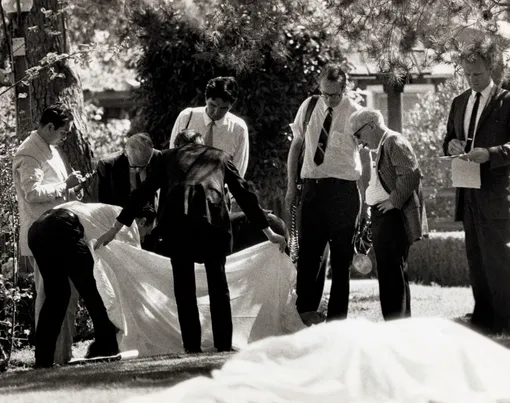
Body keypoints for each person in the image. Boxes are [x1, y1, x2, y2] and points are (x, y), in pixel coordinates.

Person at [95, 129, 286, 353]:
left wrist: (115, 228)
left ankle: (192, 347)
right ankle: (223, 345)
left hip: (179, 223)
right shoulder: (219, 156)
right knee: (219, 287)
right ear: (201, 143)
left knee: (184, 290)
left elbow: (142, 193)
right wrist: (269, 233)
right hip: (213, 221)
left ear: (176, 144)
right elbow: (244, 195)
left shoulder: (167, 157)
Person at [285, 63, 362, 325]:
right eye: (324, 93)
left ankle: (338, 321)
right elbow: (296, 147)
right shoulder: (308, 106)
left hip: (343, 191)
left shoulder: (356, 113)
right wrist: (291, 185)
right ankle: (306, 314)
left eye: (334, 94)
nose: (328, 100)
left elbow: (369, 157)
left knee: (341, 261)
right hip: (312, 189)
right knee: (309, 255)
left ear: (345, 88)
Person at [442, 40, 510, 334]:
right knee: (475, 257)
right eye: (468, 75)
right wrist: (451, 143)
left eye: (478, 75)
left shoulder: (507, 101)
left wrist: (491, 154)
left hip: (496, 192)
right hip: (467, 189)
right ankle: (482, 317)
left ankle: (505, 320)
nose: (472, 81)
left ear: (491, 70)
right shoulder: (459, 102)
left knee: (499, 259)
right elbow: (447, 140)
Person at [12, 104, 86, 365]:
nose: (65, 137)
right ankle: (49, 356)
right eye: (63, 132)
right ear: (49, 127)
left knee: (68, 294)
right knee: (49, 296)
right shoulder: (30, 153)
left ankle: (62, 355)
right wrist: (64, 186)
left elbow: (55, 188)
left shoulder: (50, 149)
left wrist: (71, 191)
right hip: (42, 235)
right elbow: (32, 193)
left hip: (58, 233)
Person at [349, 108, 427, 320]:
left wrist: (394, 201)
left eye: (358, 135)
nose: (360, 143)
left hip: (393, 217)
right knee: (390, 273)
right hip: (384, 217)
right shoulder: (383, 145)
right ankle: (398, 324)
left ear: (371, 126)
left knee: (392, 273)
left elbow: (411, 174)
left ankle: (396, 325)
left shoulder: (393, 141)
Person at [27, 207, 122, 368]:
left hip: (36, 231)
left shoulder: (92, 211)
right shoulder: (116, 219)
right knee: (92, 291)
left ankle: (43, 359)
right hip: (61, 228)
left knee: (56, 297)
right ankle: (107, 346)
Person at [169, 76, 249, 177]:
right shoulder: (187, 117)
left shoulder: (239, 129)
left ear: (231, 106)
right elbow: (172, 155)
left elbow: (239, 169)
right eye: (213, 105)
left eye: (223, 108)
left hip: (218, 189)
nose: (216, 112)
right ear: (206, 99)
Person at [96, 133, 162, 250]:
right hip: (121, 227)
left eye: (143, 167)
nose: (139, 171)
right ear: (126, 153)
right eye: (135, 166)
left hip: (151, 227)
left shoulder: (159, 158)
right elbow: (104, 202)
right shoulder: (108, 165)